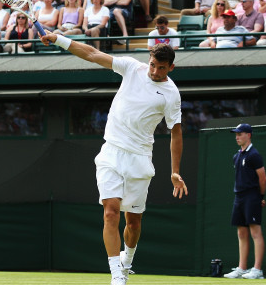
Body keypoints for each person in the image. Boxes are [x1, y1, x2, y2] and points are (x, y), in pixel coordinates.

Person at [37, 33, 186, 285]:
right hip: (111, 153)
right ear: (148, 60)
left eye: (161, 68)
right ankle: (116, 274)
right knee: (110, 213)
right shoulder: (131, 67)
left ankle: (127, 260)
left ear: (171, 67)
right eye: (152, 64)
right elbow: (92, 54)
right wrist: (59, 39)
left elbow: (176, 133)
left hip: (140, 159)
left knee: (134, 224)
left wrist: (175, 171)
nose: (155, 71)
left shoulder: (171, 94)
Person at [222, 123, 266, 280]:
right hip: (239, 197)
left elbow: (263, 178)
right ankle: (242, 268)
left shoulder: (254, 155)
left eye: (240, 134)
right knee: (241, 232)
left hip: (252, 196)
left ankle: (257, 270)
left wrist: (260, 197)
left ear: (249, 135)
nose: (237, 136)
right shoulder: (237, 156)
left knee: (255, 232)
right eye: (236, 134)